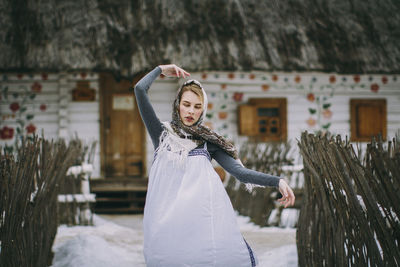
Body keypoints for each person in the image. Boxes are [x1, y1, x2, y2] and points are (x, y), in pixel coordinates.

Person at [134, 64, 295, 267]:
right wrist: (160, 70)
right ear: (177, 105)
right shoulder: (163, 135)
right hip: (166, 224)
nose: (191, 111)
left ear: (204, 109)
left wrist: (277, 181)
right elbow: (140, 90)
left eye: (197, 106)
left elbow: (240, 173)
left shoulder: (209, 142)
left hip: (198, 224)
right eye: (186, 104)